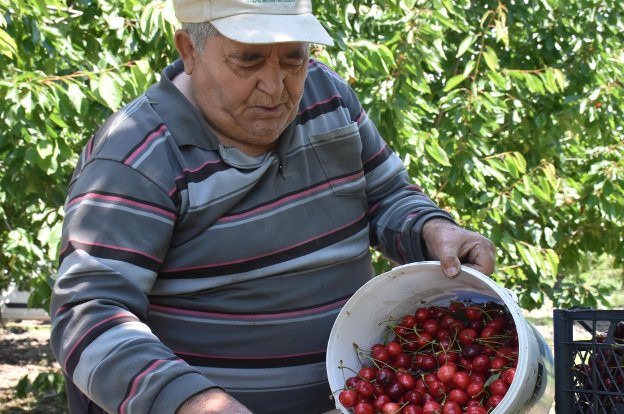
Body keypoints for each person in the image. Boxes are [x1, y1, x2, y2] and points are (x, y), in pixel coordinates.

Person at [49, 1, 496, 413]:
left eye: (293, 58)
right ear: (189, 50)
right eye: (248, 59)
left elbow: (386, 195)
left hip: (362, 397)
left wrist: (433, 230)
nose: (276, 85)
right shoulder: (138, 158)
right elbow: (87, 318)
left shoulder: (327, 97)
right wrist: (192, 402)